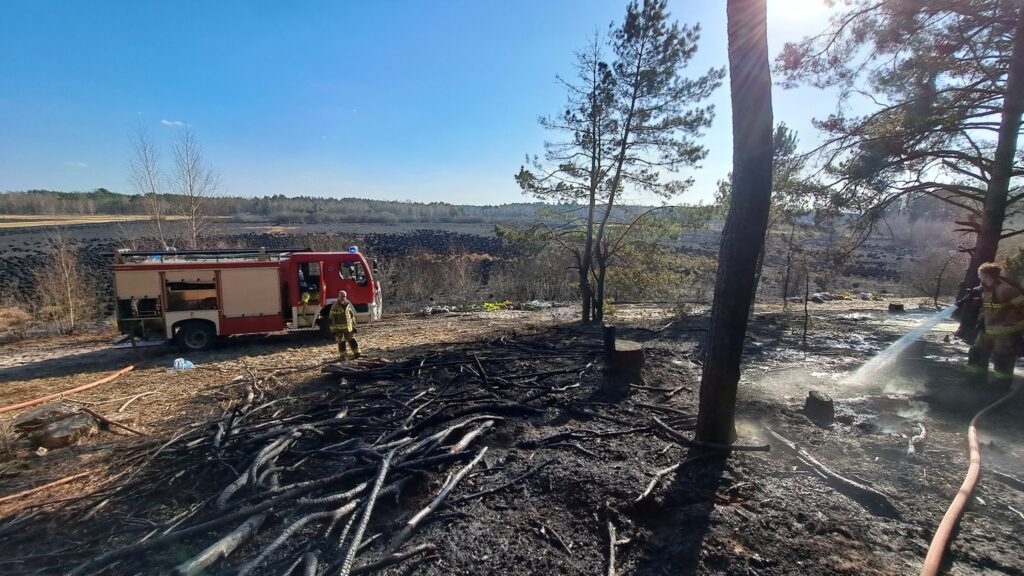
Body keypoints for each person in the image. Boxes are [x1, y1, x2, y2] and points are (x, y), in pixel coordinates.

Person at [966, 262, 1024, 382]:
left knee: (1002, 358)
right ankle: (975, 380)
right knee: (977, 353)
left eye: (980, 274)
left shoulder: (1007, 290)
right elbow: (990, 308)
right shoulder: (985, 289)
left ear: (986, 275)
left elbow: (1021, 306)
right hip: (987, 329)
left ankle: (1002, 384)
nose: (978, 277)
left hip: (1005, 332)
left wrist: (1017, 326)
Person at [330, 290, 361, 360]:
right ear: (338, 297)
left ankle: (357, 353)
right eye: (342, 296)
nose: (343, 298)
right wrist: (334, 331)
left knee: (352, 340)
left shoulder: (347, 304)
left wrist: (353, 326)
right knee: (341, 342)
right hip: (339, 330)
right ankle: (343, 357)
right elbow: (332, 320)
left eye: (344, 296)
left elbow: (351, 316)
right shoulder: (335, 307)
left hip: (348, 328)